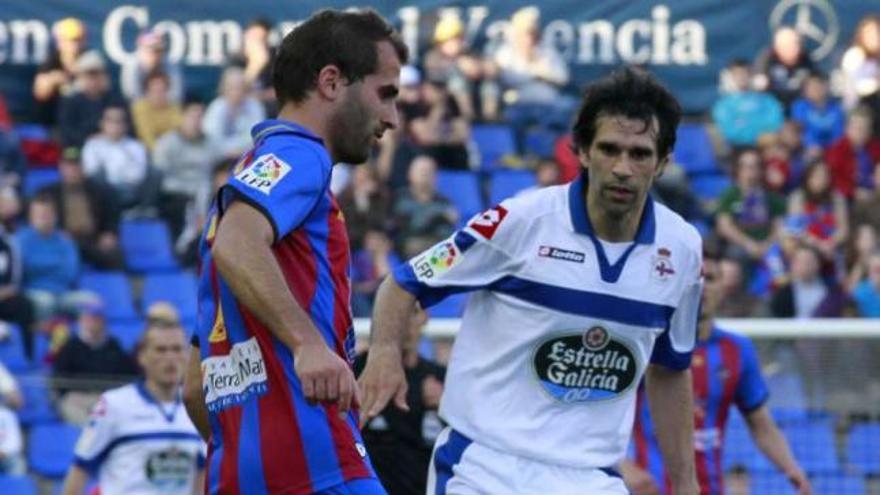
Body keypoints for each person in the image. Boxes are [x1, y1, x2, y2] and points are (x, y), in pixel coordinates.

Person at [359, 67, 702, 494]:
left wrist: (687, 485)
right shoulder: (520, 221)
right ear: (581, 151)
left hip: (590, 477)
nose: (622, 168)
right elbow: (405, 281)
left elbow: (671, 370)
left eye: (639, 154)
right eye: (609, 149)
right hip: (484, 464)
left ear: (663, 161)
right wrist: (385, 353)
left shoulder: (682, 250)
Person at [181, 9, 407, 495]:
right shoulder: (298, 155)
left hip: (240, 475)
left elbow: (194, 388)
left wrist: (257, 452)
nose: (391, 118)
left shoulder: (241, 187)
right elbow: (238, 243)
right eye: (385, 94)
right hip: (321, 464)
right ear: (331, 81)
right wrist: (307, 345)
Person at [621, 254, 811, 495]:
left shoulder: (737, 350)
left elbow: (760, 423)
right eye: (693, 277)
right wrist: (624, 467)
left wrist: (791, 467)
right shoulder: (647, 343)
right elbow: (597, 416)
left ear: (723, 287)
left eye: (710, 278)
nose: (701, 286)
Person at [61, 318, 205, 495]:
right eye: (161, 350)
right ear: (142, 356)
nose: (170, 358)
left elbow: (202, 471)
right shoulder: (114, 404)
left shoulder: (197, 405)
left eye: (177, 349)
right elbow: (80, 468)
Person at [354, 307, 445, 495]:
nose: (402, 319)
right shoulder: (354, 373)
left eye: (412, 312)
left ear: (424, 318)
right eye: (393, 310)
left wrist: (444, 408)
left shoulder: (439, 380)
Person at [52, 300, 138, 425]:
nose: (93, 322)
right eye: (89, 318)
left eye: (97, 318)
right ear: (82, 320)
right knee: (71, 407)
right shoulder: (70, 346)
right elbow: (59, 378)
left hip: (109, 398)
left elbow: (128, 374)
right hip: (79, 398)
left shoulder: (113, 346)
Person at [40, 146, 124, 271]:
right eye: (68, 166)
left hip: (93, 240)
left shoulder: (100, 191)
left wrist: (110, 233)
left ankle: (113, 288)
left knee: (115, 255)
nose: (73, 170)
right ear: (61, 168)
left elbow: (112, 216)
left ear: (83, 168)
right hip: (62, 241)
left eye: (76, 166)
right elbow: (38, 218)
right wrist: (56, 234)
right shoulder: (49, 193)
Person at [712, 59, 784, 148]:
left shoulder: (767, 100)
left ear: (751, 75)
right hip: (739, 150)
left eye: (745, 73)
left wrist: (766, 135)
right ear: (730, 77)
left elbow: (775, 123)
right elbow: (729, 133)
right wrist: (756, 138)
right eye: (737, 74)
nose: (741, 77)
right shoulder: (723, 105)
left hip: (768, 146)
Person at [32, 17, 86, 126]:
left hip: (81, 123)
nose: (75, 44)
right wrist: (53, 79)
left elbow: (103, 88)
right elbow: (39, 92)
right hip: (52, 123)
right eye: (71, 39)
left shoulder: (89, 59)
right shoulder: (51, 61)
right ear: (60, 41)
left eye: (79, 39)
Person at [120, 29, 185, 104]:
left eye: (159, 50)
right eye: (150, 49)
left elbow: (176, 95)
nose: (155, 54)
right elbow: (131, 95)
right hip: (139, 110)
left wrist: (160, 104)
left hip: (166, 108)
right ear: (141, 49)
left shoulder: (170, 63)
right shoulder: (131, 64)